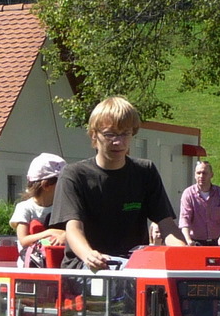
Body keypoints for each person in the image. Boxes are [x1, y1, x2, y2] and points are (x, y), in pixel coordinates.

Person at [50, 96, 185, 271]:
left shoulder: (145, 171)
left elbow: (167, 225)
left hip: (133, 265)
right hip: (86, 266)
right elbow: (73, 229)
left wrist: (184, 253)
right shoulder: (74, 175)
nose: (118, 142)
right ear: (93, 135)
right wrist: (89, 255)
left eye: (125, 134)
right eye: (109, 134)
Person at [10, 153, 67, 267]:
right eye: (62, 182)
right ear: (46, 185)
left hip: (56, 266)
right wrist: (50, 232)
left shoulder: (64, 207)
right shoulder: (24, 208)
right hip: (30, 269)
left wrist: (66, 236)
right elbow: (24, 240)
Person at [179, 160, 220, 246]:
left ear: (211, 175)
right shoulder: (188, 194)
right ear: (194, 175)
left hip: (217, 241)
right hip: (196, 242)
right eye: (198, 173)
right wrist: (188, 240)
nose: (201, 176)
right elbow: (184, 219)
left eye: (205, 173)